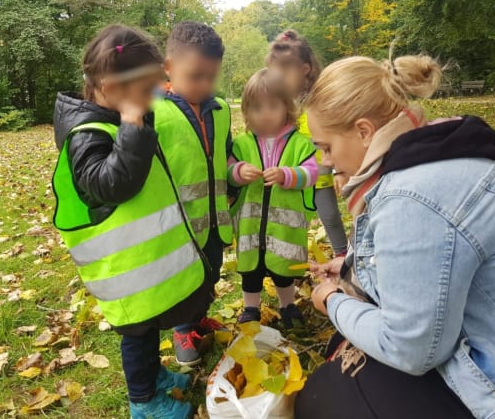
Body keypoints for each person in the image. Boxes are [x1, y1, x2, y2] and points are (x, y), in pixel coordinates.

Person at [295, 53, 495, 418]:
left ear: (364, 131)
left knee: (320, 399)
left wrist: (333, 300)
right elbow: (439, 263)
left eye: (326, 147)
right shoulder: (435, 155)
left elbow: (409, 349)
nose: (325, 162)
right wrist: (353, 267)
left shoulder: (410, 196)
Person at [52, 24, 214, 419]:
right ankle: (143, 402)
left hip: (142, 271)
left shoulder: (112, 119)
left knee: (147, 333)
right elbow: (112, 185)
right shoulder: (85, 134)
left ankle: (154, 378)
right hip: (123, 274)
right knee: (137, 338)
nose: (152, 101)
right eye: (146, 92)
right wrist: (131, 125)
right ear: (110, 86)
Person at [153, 21, 233, 366]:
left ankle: (199, 319)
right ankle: (183, 328)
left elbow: (225, 154)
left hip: (216, 217)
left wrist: (236, 174)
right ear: (168, 68)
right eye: (195, 76)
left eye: (211, 77)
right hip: (179, 223)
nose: (204, 85)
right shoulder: (154, 112)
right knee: (186, 278)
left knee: (212, 271)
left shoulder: (222, 111)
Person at [229, 68, 318, 329]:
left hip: (284, 228)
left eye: (272, 106)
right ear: (246, 112)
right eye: (256, 108)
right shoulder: (242, 143)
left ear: (287, 108)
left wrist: (286, 174)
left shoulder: (301, 143)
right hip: (250, 225)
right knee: (251, 271)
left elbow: (311, 173)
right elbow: (228, 172)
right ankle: (250, 308)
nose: (264, 113)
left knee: (283, 269)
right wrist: (238, 172)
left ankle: (287, 304)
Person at [266, 29, 348, 257]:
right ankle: (286, 257)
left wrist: (339, 171)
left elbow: (338, 137)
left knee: (330, 215)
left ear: (305, 70)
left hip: (324, 171)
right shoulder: (284, 103)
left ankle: (345, 255)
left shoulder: (320, 100)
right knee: (298, 216)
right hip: (297, 173)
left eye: (284, 75)